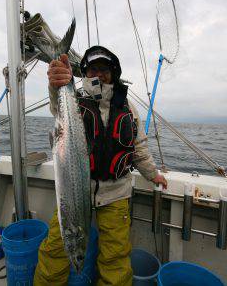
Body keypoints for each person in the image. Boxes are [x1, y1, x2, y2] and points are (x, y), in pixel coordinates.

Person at [34, 46, 167, 285]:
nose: (99, 74)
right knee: (54, 248)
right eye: (93, 69)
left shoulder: (127, 107)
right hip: (75, 191)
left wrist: (152, 174)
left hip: (116, 193)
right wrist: (57, 85)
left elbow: (138, 147)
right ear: (85, 73)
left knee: (116, 257)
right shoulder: (75, 98)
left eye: (104, 69)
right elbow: (57, 107)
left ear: (113, 73)